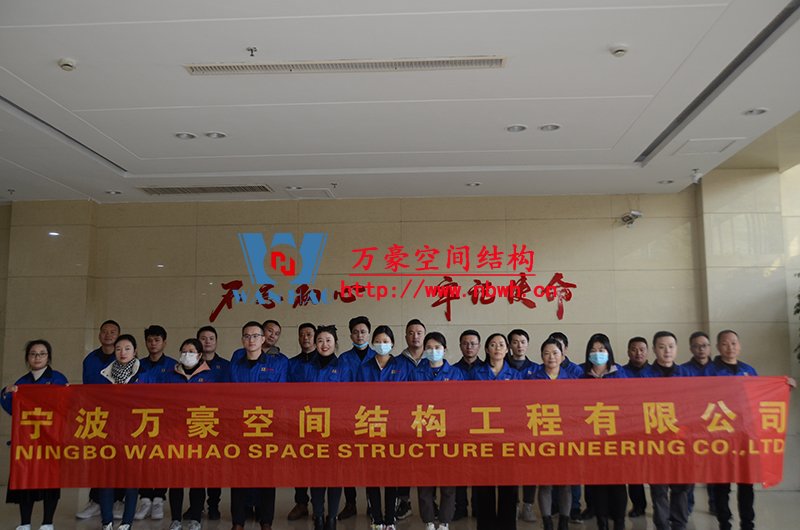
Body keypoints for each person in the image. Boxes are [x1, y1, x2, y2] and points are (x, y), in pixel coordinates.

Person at [2, 339, 68, 530]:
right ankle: (25, 523)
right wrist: (6, 393)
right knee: (25, 480)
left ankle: (47, 522)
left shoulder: (58, 379)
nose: (37, 357)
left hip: (50, 440)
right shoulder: (21, 383)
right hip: (28, 442)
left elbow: (66, 407)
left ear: (48, 357)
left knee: (50, 482)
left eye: (42, 354)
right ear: (27, 358)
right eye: (33, 354)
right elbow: (12, 409)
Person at [228, 321, 288, 530]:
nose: (251, 340)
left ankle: (266, 520)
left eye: (255, 336)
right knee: (239, 474)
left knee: (266, 475)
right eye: (247, 336)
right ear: (242, 340)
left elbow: (280, 396)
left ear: (263, 340)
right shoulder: (235, 365)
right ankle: (238, 521)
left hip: (266, 427)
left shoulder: (276, 364)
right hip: (240, 428)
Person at [703, 330, 757, 530]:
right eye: (725, 343)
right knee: (722, 483)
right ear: (718, 347)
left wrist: (784, 385)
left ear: (739, 346)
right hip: (719, 436)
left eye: (734, 343)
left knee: (746, 483)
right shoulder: (709, 371)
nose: (730, 347)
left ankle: (747, 523)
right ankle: (724, 522)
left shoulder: (749, 370)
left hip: (745, 436)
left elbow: (761, 396)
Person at [411, 332, 463, 530]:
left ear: (445, 349)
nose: (433, 351)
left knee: (448, 481)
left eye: (437, 348)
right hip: (423, 433)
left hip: (448, 434)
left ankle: (445, 520)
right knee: (425, 482)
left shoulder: (455, 373)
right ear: (424, 350)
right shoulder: (416, 373)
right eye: (429, 348)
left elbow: (460, 403)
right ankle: (428, 521)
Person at [523, 338, 576, 530]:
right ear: (541, 356)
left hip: (565, 438)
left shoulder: (571, 380)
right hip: (541, 438)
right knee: (545, 483)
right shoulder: (532, 379)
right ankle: (547, 521)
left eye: (555, 353)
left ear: (562, 356)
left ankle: (564, 521)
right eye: (546, 353)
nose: (551, 357)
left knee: (565, 483)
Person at [641, 332, 691, 530]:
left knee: (681, 486)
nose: (667, 351)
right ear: (654, 350)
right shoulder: (645, 375)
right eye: (662, 347)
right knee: (659, 487)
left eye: (671, 346)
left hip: (682, 440)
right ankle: (662, 524)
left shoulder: (687, 374)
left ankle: (679, 523)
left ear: (676, 349)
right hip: (656, 441)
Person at [359, 325, 406, 530]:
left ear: (392, 344)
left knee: (391, 475)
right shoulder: (364, 368)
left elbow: (406, 397)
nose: (382, 345)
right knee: (372, 475)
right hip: (370, 425)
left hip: (394, 428)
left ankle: (390, 519)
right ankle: (376, 518)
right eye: (378, 341)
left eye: (385, 341)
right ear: (372, 344)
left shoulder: (401, 367)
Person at [304, 325, 351, 530]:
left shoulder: (344, 367)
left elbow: (349, 400)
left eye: (328, 341)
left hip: (336, 429)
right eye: (320, 341)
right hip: (313, 427)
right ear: (315, 344)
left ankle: (331, 516)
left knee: (335, 475)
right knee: (316, 475)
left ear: (335, 343)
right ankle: (318, 515)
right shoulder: (307, 367)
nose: (324, 345)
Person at [580, 333, 627, 530]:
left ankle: (619, 521)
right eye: (593, 350)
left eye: (601, 350)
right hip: (592, 438)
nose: (597, 353)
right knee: (597, 483)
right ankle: (602, 522)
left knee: (617, 482)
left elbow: (629, 402)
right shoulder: (582, 376)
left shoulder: (620, 373)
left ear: (609, 352)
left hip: (617, 437)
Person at [472, 333, 518, 530]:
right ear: (487, 350)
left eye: (501, 344)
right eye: (493, 345)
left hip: (509, 437)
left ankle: (507, 525)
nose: (497, 348)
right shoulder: (476, 374)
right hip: (483, 436)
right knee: (484, 485)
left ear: (507, 349)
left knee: (509, 485)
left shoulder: (516, 375)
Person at [77, 320, 121, 520]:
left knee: (119, 459)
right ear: (99, 335)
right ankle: (95, 501)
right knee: (98, 459)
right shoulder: (90, 359)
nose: (108, 335)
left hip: (119, 418)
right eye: (104, 331)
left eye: (113, 332)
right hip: (97, 418)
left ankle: (118, 501)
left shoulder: (124, 358)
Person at [98, 334, 142, 530]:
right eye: (118, 349)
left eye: (127, 348)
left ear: (135, 352)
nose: (122, 352)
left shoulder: (144, 375)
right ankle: (106, 521)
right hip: (108, 433)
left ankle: (126, 522)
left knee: (131, 480)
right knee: (106, 478)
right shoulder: (104, 375)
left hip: (135, 433)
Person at [337, 316, 377, 520]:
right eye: (355, 332)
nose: (359, 335)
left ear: (369, 334)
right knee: (348, 461)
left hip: (372, 417)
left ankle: (372, 503)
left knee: (371, 462)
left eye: (363, 332)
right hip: (349, 417)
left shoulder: (378, 356)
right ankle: (350, 503)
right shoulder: (343, 359)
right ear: (350, 335)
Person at [134, 325, 175, 522]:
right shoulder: (137, 365)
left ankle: (159, 497)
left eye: (157, 340)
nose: (153, 344)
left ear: (164, 342)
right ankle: (145, 498)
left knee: (161, 459)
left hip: (165, 422)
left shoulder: (174, 366)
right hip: (142, 420)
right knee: (142, 458)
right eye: (149, 340)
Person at [393, 318, 428, 520]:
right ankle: (404, 502)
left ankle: (429, 501)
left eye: (419, 333)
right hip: (404, 422)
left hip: (429, 420)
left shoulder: (433, 360)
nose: (415, 336)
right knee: (404, 462)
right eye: (411, 333)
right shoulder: (397, 362)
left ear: (424, 335)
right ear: (405, 336)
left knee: (427, 462)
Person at [681, 331, 714, 515]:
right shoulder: (683, 371)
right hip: (691, 429)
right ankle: (688, 505)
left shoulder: (719, 370)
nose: (701, 349)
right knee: (690, 470)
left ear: (710, 347)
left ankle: (715, 504)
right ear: (691, 348)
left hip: (717, 428)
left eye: (704, 345)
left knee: (714, 470)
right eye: (696, 346)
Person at [286, 323, 317, 522]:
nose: (305, 338)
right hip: (297, 420)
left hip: (320, 419)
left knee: (318, 463)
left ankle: (318, 505)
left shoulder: (323, 361)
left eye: (309, 334)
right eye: (302, 334)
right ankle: (301, 502)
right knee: (299, 464)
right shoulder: (292, 363)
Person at [506, 329, 537, 523]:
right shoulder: (503, 366)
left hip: (529, 424)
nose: (519, 345)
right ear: (510, 345)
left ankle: (528, 505)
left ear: (527, 344)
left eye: (523, 341)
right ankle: (514, 505)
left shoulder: (536, 368)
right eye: (515, 342)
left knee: (530, 467)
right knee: (511, 467)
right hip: (508, 425)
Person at [453, 330, 483, 520]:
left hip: (481, 425)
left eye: (473, 343)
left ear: (479, 346)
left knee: (479, 469)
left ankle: (478, 506)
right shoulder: (453, 370)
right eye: (465, 343)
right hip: (460, 425)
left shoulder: (486, 368)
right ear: (460, 346)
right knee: (460, 468)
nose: (469, 347)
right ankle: (460, 507)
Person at [621, 336, 649, 518]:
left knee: (656, 468)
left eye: (642, 349)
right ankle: (638, 505)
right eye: (634, 349)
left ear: (647, 351)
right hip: (629, 428)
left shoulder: (655, 372)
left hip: (654, 425)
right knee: (634, 470)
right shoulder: (621, 373)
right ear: (628, 352)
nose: (638, 353)